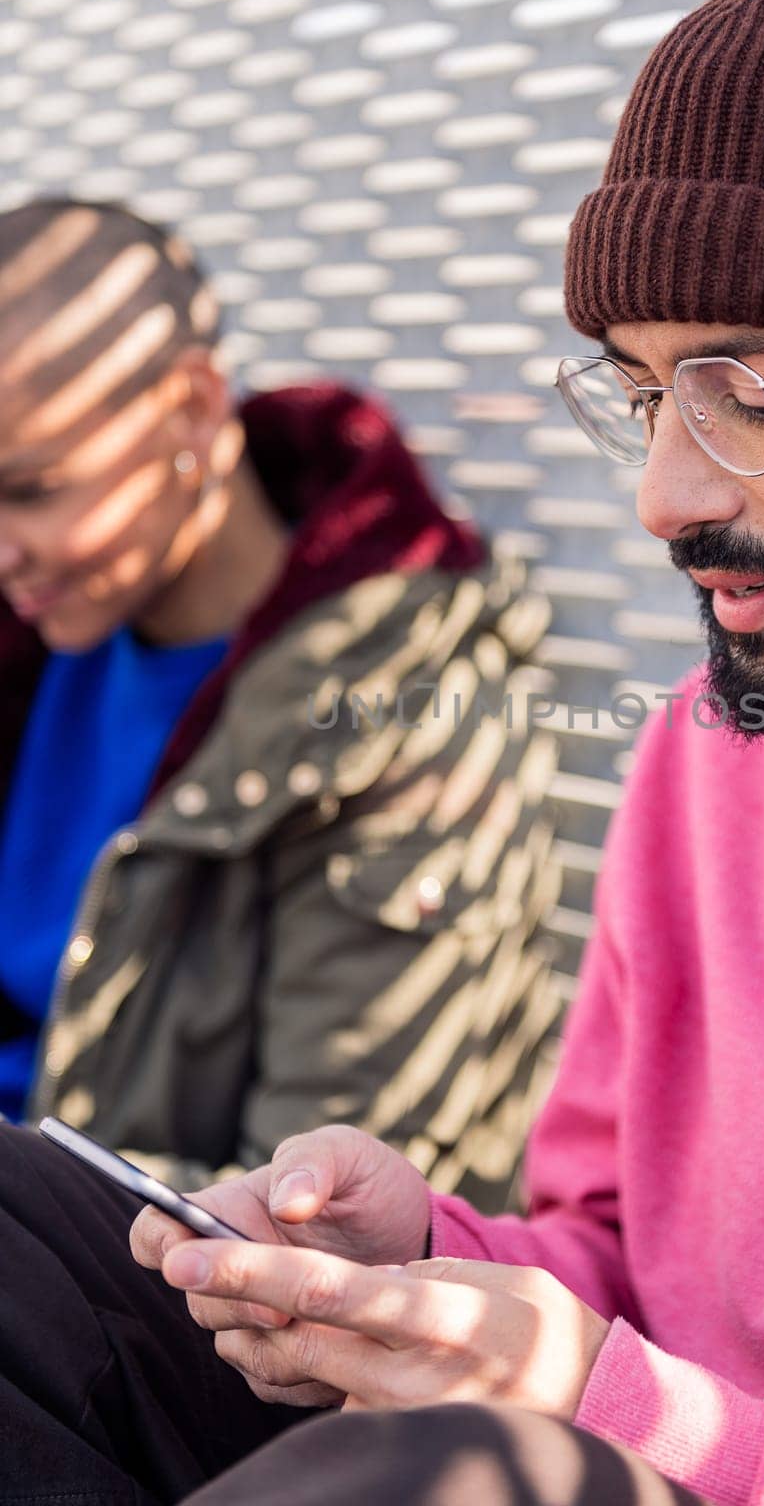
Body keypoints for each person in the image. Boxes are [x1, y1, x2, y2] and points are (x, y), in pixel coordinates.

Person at [5, 0, 764, 1500]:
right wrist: (427, 1250)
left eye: (758, 393)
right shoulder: (712, 753)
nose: (660, 493)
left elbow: (611, 1397)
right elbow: (613, 1253)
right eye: (642, 394)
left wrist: (593, 1405)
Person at [0, 195, 561, 1206]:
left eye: (31, 488)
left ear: (187, 410)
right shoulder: (42, 637)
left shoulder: (396, 718)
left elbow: (319, 1223)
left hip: (135, 1309)